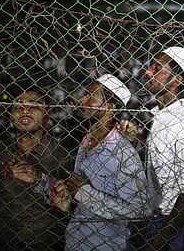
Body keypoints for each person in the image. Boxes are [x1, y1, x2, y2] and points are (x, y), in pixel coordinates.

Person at [51, 74, 149, 251]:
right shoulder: (85, 142)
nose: (82, 100)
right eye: (84, 94)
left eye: (90, 96)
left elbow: (138, 209)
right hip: (75, 242)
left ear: (110, 106)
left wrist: (84, 193)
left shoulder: (123, 152)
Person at [137, 46, 184, 250]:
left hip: (177, 222)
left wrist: (159, 240)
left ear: (176, 80)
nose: (148, 72)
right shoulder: (157, 117)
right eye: (151, 66)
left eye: (157, 68)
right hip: (158, 218)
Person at [0, 89, 70, 251]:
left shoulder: (62, 153)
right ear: (9, 114)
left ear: (46, 113)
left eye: (34, 105)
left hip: (48, 242)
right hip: (4, 241)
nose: (25, 110)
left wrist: (39, 178)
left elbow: (73, 205)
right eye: (18, 106)